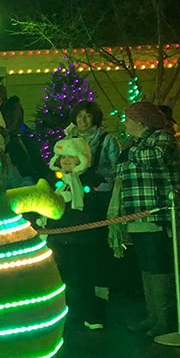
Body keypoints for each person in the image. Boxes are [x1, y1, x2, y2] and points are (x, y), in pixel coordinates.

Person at [111, 100, 180, 336]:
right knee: (146, 265)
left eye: (129, 119)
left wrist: (130, 153)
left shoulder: (162, 138)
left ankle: (164, 319)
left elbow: (156, 158)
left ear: (141, 122)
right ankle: (153, 316)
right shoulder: (135, 143)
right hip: (137, 213)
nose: (125, 123)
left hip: (157, 213)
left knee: (159, 265)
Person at [46, 138, 107, 330]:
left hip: (84, 238)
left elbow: (97, 207)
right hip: (58, 237)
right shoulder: (52, 180)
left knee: (85, 276)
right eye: (63, 157)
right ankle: (66, 314)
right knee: (62, 278)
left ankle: (90, 313)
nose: (66, 161)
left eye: (71, 157)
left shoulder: (92, 180)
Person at [64, 100, 119, 190]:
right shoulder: (67, 141)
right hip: (73, 190)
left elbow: (116, 167)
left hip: (98, 190)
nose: (83, 120)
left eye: (88, 116)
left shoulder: (107, 140)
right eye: (79, 115)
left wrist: (105, 186)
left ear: (95, 118)